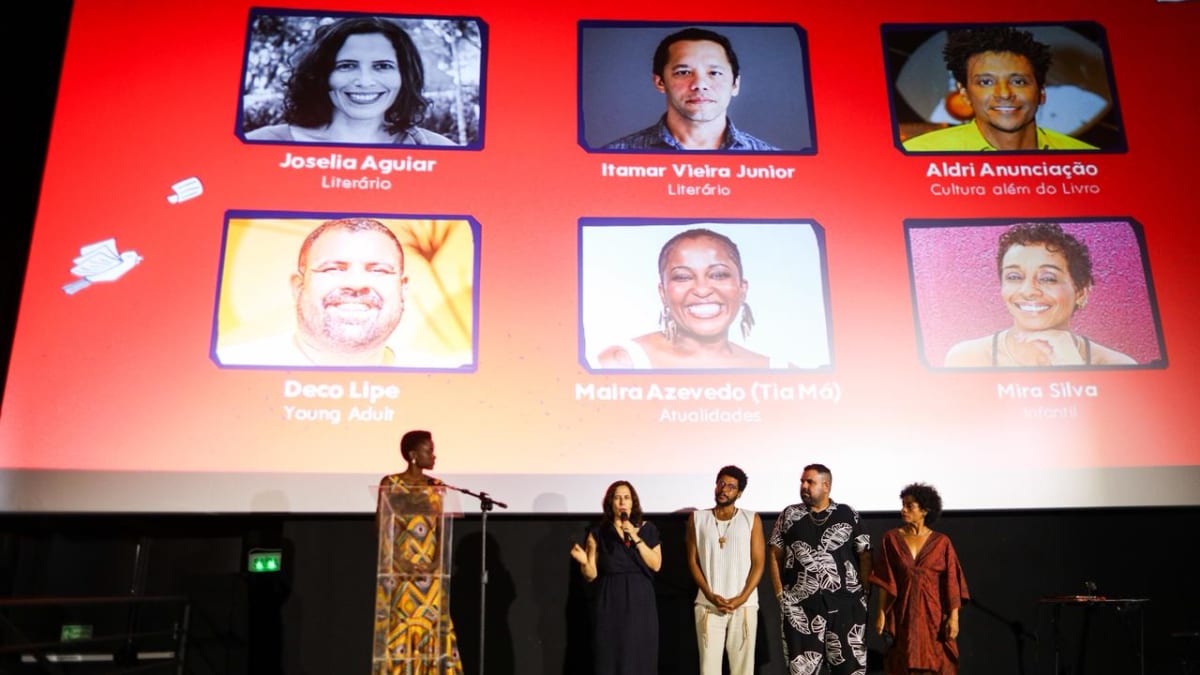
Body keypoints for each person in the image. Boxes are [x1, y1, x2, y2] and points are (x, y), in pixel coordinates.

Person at [218, 217, 410, 367]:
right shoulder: (230, 364)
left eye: (379, 270)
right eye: (333, 269)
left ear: (403, 289)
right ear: (298, 287)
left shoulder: (436, 379)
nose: (355, 283)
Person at [943, 222, 1136, 367]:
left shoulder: (1117, 365)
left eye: (1048, 278)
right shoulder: (966, 359)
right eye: (1014, 276)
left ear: (1080, 292)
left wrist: (1072, 366)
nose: (1028, 291)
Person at [594, 228, 789, 369]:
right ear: (663, 293)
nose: (702, 290)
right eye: (683, 277)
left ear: (742, 288)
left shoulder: (782, 373)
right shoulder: (621, 363)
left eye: (719, 275)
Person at [246, 16, 456, 145]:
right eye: (346, 65)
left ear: (404, 77)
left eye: (382, 66)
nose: (365, 81)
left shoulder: (438, 148)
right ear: (322, 74)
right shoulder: (261, 142)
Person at [902, 26, 1098, 152]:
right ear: (964, 93)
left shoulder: (1087, 158)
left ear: (1041, 92)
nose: (1004, 94)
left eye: (1018, 82)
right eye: (986, 82)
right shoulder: (920, 153)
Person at [373, 430, 464, 674]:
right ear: (413, 455)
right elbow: (383, 526)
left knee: (433, 625)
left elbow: (443, 530)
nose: (434, 456)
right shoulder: (391, 484)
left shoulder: (436, 486)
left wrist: (436, 563)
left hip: (431, 574)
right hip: (400, 571)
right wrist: (400, 561)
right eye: (428, 450)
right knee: (403, 624)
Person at [602, 27, 779, 151]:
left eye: (715, 73)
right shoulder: (612, 158)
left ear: (735, 85)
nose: (699, 84)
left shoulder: (775, 163)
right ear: (660, 82)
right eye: (684, 72)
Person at [769, 463, 871, 674]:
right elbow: (774, 553)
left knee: (849, 669)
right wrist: (780, 593)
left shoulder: (847, 514)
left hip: (845, 606)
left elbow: (865, 553)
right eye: (802, 482)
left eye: (810, 482)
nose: (804, 486)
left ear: (826, 486)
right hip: (801, 607)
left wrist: (865, 592)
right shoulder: (789, 514)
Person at [870, 483, 969, 675]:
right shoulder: (891, 539)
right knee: (904, 662)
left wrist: (954, 618)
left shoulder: (941, 543)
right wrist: (881, 613)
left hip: (933, 616)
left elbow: (952, 582)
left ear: (924, 510)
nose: (903, 510)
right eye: (903, 505)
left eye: (909, 506)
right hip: (903, 613)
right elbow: (884, 579)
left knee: (935, 663)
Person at [569, 480, 663, 675]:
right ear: (610, 502)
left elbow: (656, 564)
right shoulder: (598, 532)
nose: (622, 501)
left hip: (640, 601)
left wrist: (636, 537)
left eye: (626, 497)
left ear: (632, 503)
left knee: (640, 656)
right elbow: (591, 574)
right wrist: (584, 561)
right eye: (617, 497)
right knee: (611, 656)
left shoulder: (648, 529)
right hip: (611, 600)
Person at [686, 465, 765, 675]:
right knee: (708, 669)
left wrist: (742, 598)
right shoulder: (697, 519)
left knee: (743, 670)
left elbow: (759, 563)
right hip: (708, 605)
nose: (724, 489)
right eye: (721, 483)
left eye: (730, 486)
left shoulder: (751, 519)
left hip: (744, 605)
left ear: (739, 493)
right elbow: (692, 562)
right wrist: (710, 595)